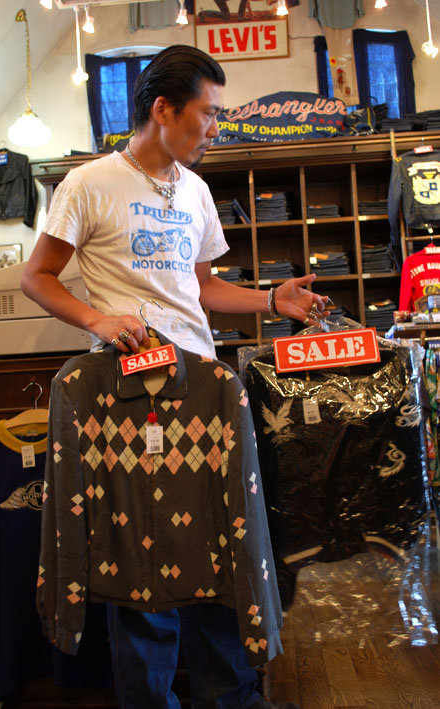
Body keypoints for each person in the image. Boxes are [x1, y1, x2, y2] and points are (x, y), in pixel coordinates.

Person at [22, 44, 327, 709]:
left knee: (219, 548)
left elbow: (202, 287)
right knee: (139, 556)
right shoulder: (89, 184)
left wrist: (272, 300)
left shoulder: (195, 190)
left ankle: (231, 699)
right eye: (208, 113)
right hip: (125, 395)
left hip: (202, 391)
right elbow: (36, 276)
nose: (216, 126)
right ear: (163, 109)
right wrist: (98, 319)